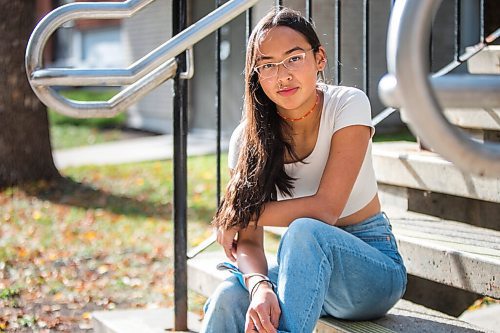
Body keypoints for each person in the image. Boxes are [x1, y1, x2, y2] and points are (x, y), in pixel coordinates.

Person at [200, 7, 407, 333]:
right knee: (229, 295)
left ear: (319, 58)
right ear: (256, 74)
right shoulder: (246, 139)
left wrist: (241, 213)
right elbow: (250, 243)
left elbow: (325, 209)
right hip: (302, 272)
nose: (282, 75)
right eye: (267, 65)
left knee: (305, 231)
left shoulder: (348, 105)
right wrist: (259, 285)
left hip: (370, 271)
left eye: (294, 58)